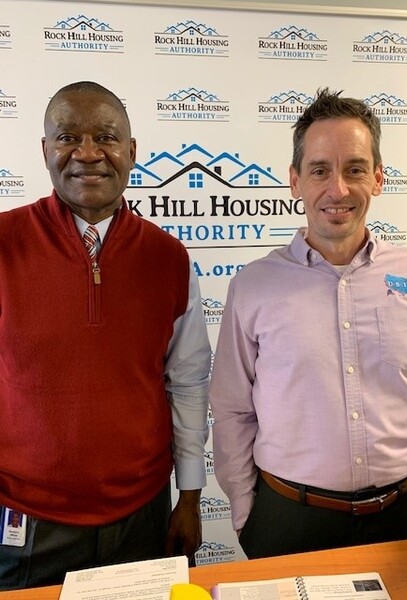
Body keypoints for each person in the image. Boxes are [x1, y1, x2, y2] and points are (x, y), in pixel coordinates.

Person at [210, 88, 407, 565]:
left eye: (355, 169)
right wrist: (246, 513)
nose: (337, 189)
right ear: (295, 181)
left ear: (379, 179)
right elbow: (232, 409)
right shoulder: (254, 287)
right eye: (320, 170)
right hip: (287, 521)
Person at [0, 81, 211, 589]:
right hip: (29, 523)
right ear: (45, 151)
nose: (88, 153)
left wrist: (188, 498)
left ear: (131, 152)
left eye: (107, 137)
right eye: (68, 136)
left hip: (141, 518)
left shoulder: (169, 260)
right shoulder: (4, 244)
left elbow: (186, 385)